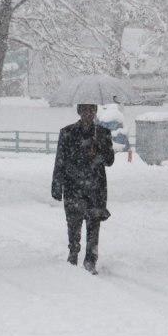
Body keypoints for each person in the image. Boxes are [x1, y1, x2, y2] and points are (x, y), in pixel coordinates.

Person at [51, 103, 115, 274]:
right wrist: (57, 186)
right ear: (79, 111)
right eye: (84, 109)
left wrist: (99, 145)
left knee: (94, 225)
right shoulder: (67, 133)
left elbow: (109, 160)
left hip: (95, 187)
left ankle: (90, 259)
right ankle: (73, 253)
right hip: (73, 185)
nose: (88, 113)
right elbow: (60, 160)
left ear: (95, 111)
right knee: (73, 223)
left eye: (91, 109)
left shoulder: (102, 133)